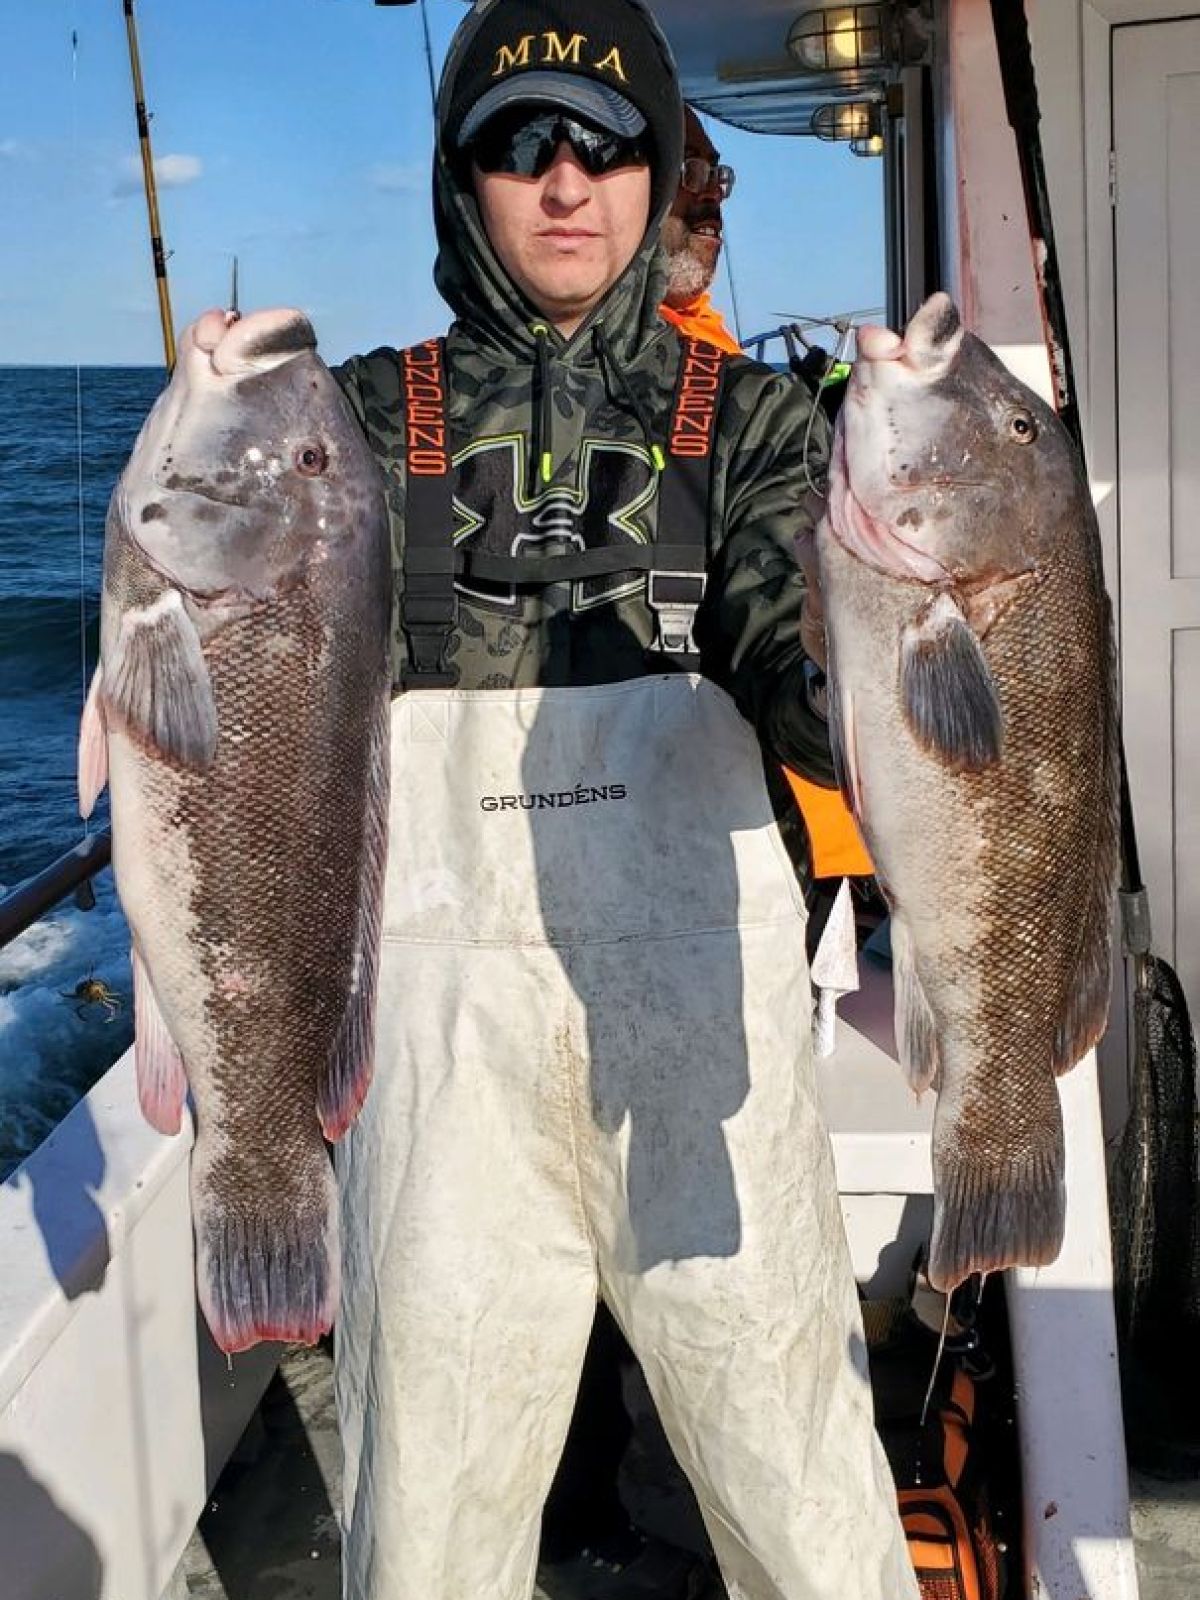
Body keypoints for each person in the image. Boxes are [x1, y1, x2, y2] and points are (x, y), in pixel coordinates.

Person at [331, 3, 919, 1599]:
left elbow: (799, 651)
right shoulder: (354, 424)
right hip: (437, 1072)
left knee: (802, 1491)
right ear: (463, 181)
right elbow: (251, 684)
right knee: (427, 1532)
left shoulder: (766, 425)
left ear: (661, 173)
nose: (567, 179)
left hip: (702, 1051)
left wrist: (883, 691)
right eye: (521, 143)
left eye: (606, 143)